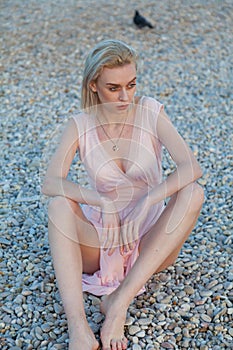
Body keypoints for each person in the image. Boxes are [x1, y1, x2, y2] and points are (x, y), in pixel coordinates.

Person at [42, 39, 204, 350]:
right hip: (104, 234)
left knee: (193, 193)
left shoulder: (149, 110)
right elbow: (51, 182)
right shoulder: (80, 125)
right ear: (93, 85)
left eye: (131, 84)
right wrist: (100, 200)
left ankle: (119, 302)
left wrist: (149, 201)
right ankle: (79, 327)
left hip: (149, 241)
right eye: (114, 88)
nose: (125, 96)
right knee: (59, 205)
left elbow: (190, 167)